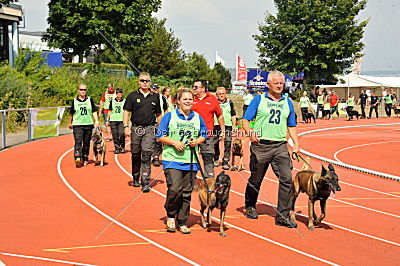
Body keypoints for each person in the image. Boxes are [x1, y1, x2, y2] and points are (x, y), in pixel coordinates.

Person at [242, 70, 300, 228]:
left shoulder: (287, 102)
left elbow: (292, 125)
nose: (280, 85)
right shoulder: (258, 100)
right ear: (268, 85)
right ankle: (250, 205)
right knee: (256, 179)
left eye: (281, 83)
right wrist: (250, 133)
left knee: (287, 179)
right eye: (276, 83)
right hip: (261, 146)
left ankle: (283, 215)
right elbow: (245, 120)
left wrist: (296, 144)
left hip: (280, 146)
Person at [157, 88, 207, 234]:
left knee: (187, 192)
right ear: (178, 101)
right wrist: (174, 143)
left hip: (191, 160)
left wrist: (198, 140)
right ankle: (171, 215)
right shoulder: (169, 116)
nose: (187, 101)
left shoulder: (198, 117)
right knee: (175, 189)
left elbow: (204, 133)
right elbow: (160, 136)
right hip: (172, 160)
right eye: (184, 99)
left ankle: (182, 221)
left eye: (190, 99)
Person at [123, 72, 162, 192]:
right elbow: (126, 112)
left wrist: (160, 129)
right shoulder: (132, 96)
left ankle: (145, 181)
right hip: (136, 128)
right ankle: (135, 176)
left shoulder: (155, 97)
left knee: (146, 155)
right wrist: (126, 127)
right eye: (143, 80)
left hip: (149, 129)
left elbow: (159, 114)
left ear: (150, 82)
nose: (145, 83)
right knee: (135, 154)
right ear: (139, 82)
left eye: (147, 81)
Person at [191, 79, 224, 179]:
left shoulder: (212, 99)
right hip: (192, 134)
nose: (193, 88)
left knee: (208, 156)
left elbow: (219, 115)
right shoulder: (191, 99)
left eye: (196, 87)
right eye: (193, 86)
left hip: (208, 135)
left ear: (203, 88)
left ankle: (209, 180)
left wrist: (222, 130)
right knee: (191, 158)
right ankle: (190, 179)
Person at [69, 84, 99, 167]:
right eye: (81, 89)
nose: (83, 91)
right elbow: (72, 113)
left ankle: (85, 157)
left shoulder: (90, 100)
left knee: (86, 143)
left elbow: (94, 111)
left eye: (84, 90)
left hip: (88, 124)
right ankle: (77, 157)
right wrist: (70, 123)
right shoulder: (74, 101)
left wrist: (96, 120)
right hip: (78, 124)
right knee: (78, 142)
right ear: (78, 90)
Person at [213, 87, 237, 170]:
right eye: (219, 94)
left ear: (225, 94)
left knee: (227, 143)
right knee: (215, 143)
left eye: (223, 93)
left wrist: (234, 126)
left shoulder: (230, 102)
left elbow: (233, 114)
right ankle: (216, 158)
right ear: (217, 95)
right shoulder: (214, 102)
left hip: (228, 126)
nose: (221, 95)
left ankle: (226, 162)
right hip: (216, 125)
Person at [150, 83, 168, 167]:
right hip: (150, 122)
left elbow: (165, 109)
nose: (155, 90)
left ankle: (156, 157)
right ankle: (149, 156)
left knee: (158, 140)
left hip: (160, 122)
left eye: (156, 88)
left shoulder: (162, 98)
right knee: (150, 140)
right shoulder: (148, 97)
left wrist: (166, 120)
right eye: (153, 88)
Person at [107, 88, 126, 154]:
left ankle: (122, 146)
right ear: (116, 94)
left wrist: (127, 120)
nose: (120, 95)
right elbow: (110, 110)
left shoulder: (124, 101)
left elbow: (127, 111)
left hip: (121, 120)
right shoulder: (112, 101)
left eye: (120, 94)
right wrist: (107, 119)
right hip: (113, 119)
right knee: (115, 135)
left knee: (121, 133)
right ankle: (117, 147)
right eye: (118, 94)